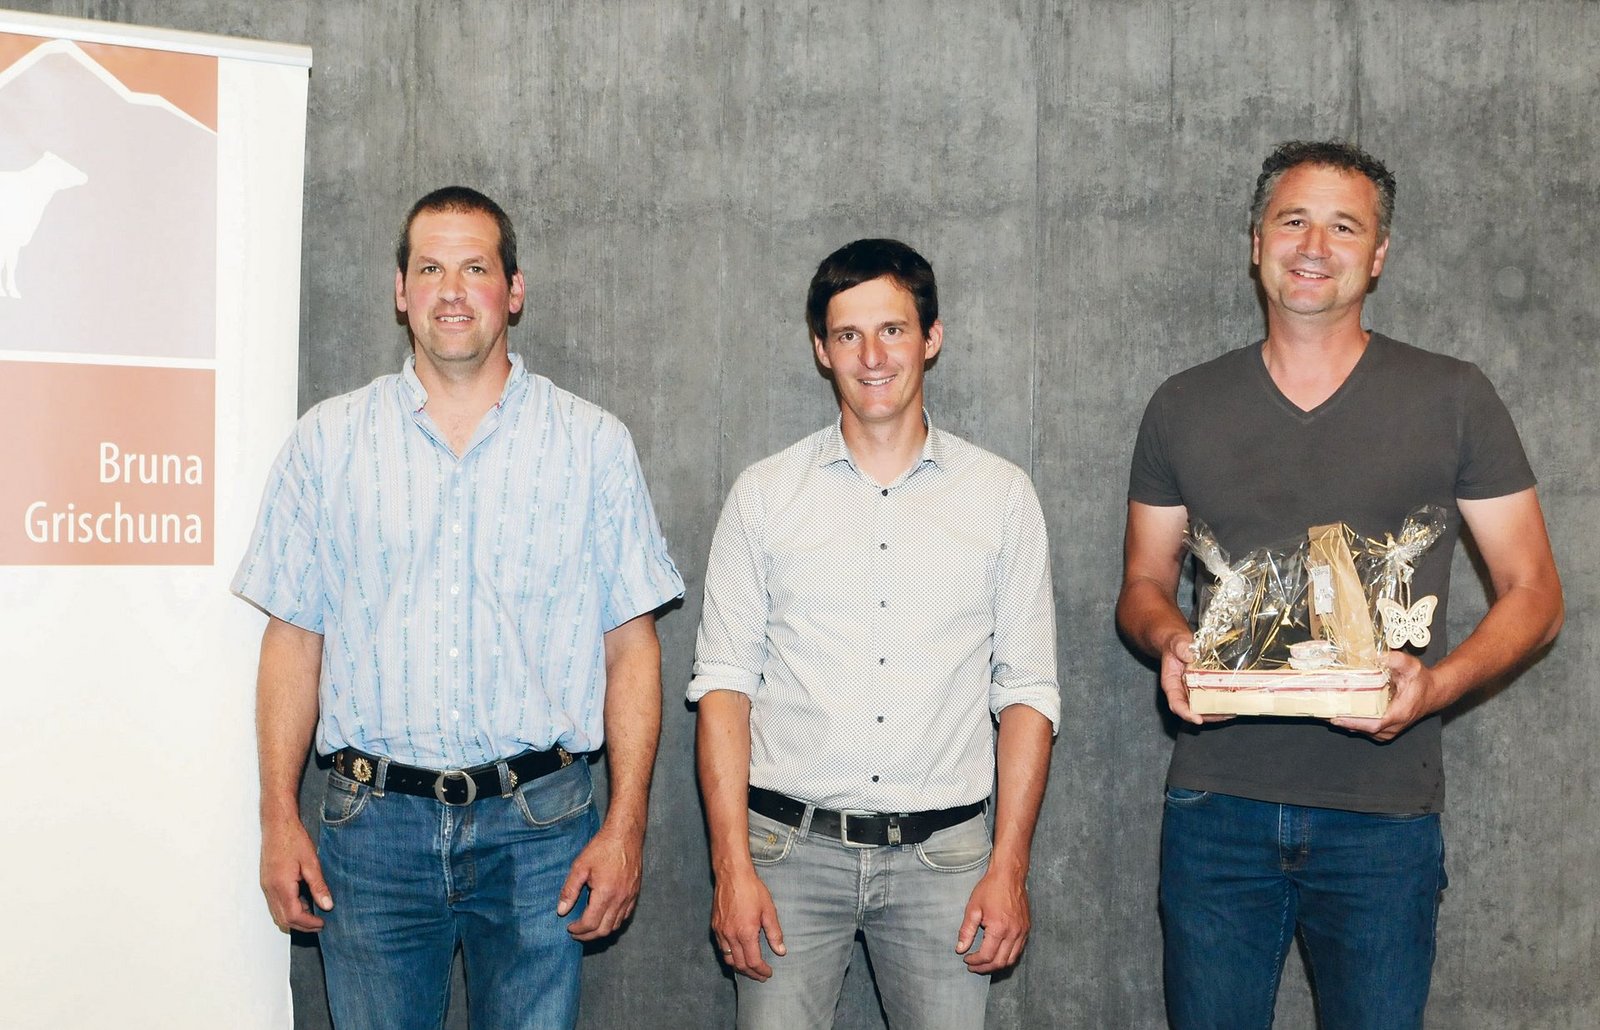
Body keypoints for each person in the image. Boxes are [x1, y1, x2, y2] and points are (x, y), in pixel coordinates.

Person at [1116, 140, 1563, 1029]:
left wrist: (1437, 685)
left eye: (1344, 227)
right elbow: (1141, 582)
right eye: (1293, 221)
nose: (1314, 246)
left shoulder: (1454, 396)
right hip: (1216, 806)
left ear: (1379, 254)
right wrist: (1171, 640)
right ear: (1257, 242)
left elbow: (1536, 594)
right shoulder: (1182, 404)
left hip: (1383, 814)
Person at [233, 186, 683, 1030]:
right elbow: (293, 640)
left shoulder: (592, 445)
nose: (451, 290)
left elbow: (632, 647)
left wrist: (626, 827)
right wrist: (277, 817)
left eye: (475, 268)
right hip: (371, 834)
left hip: (541, 828)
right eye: (430, 268)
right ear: (400, 290)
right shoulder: (327, 442)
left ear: (514, 290)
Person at [689, 238, 1059, 1030]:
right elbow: (724, 688)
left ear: (931, 337)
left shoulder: (1001, 497)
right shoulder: (764, 496)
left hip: (947, 863)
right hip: (786, 857)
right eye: (848, 335)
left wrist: (1009, 868)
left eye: (892, 330)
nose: (872, 355)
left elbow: (1028, 692)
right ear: (821, 350)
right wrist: (732, 868)